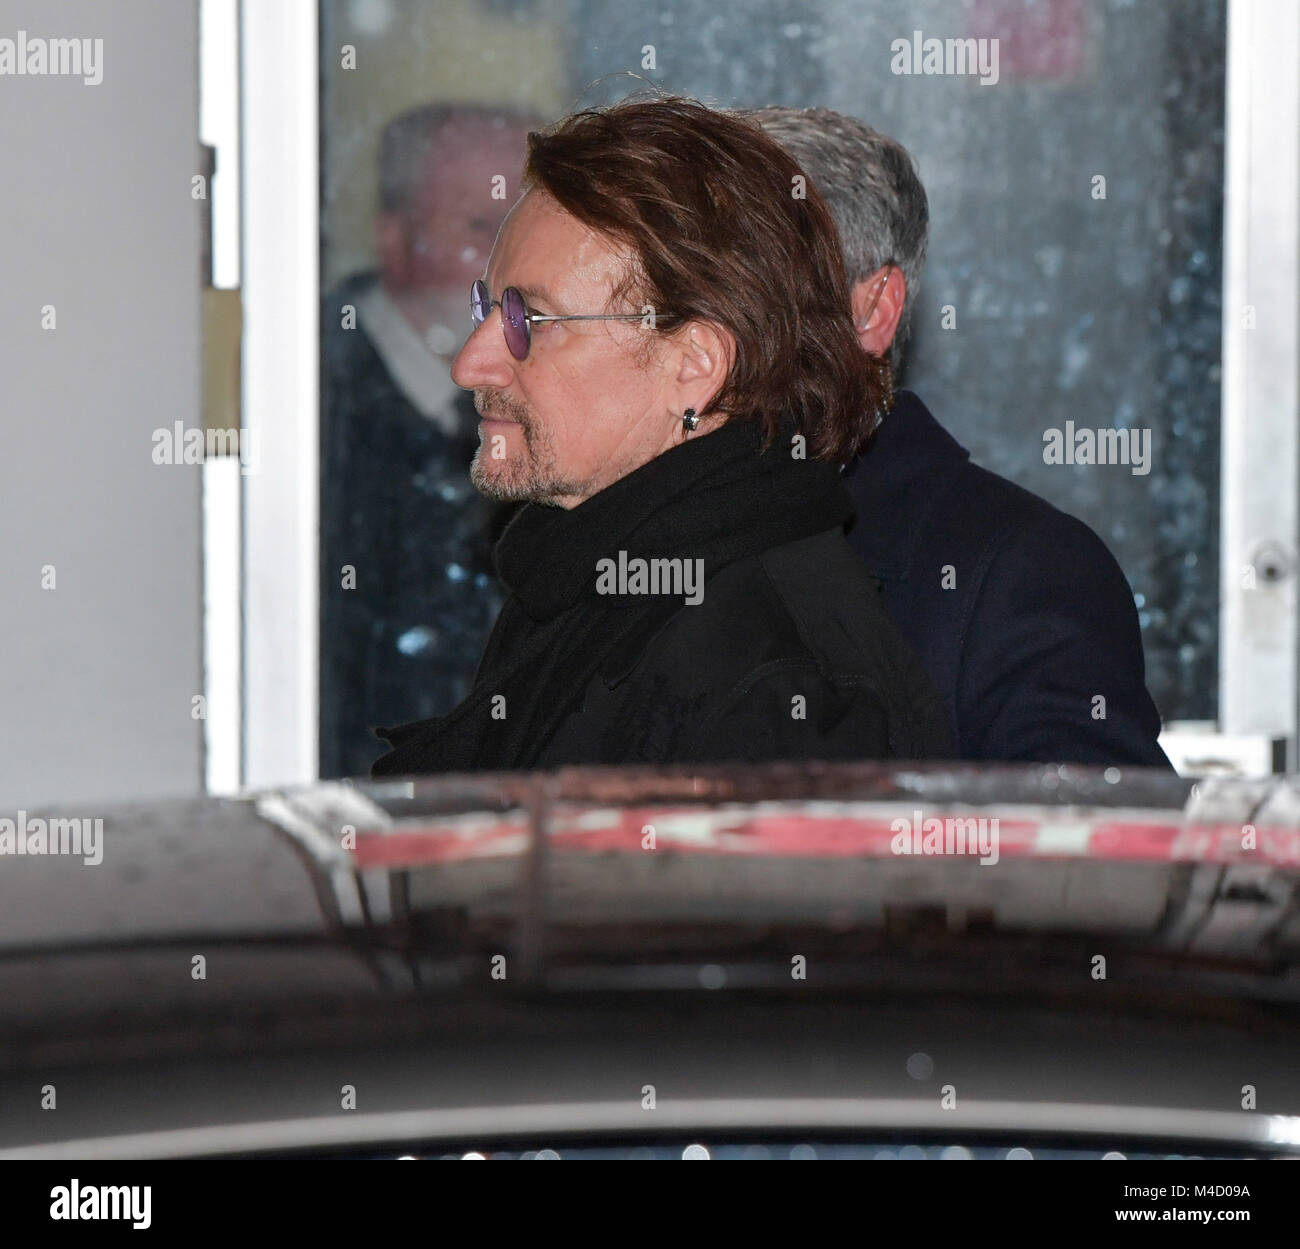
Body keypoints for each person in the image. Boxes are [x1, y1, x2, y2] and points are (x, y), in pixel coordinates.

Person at [370, 97, 951, 777]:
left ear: (695, 365)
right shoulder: (586, 583)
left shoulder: (777, 691)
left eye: (532, 320)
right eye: (488, 308)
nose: (471, 363)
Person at [751, 107, 1172, 768]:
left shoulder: (1021, 576)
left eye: (741, 288)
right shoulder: (628, 539)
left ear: (873, 308)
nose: (689, 334)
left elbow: (1086, 863)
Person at [319, 104, 537, 778]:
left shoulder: (573, 394)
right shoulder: (308, 402)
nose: (517, 263)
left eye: (530, 227)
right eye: (481, 227)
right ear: (393, 239)